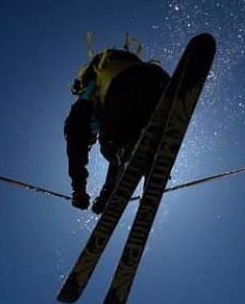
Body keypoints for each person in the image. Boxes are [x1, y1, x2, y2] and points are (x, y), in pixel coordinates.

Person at [64, 41, 170, 213]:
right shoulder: (113, 67)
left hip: (127, 90)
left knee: (112, 147)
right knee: (126, 144)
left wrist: (79, 189)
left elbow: (75, 140)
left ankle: (143, 161)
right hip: (161, 83)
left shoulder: (88, 100)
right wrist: (106, 197)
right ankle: (152, 160)